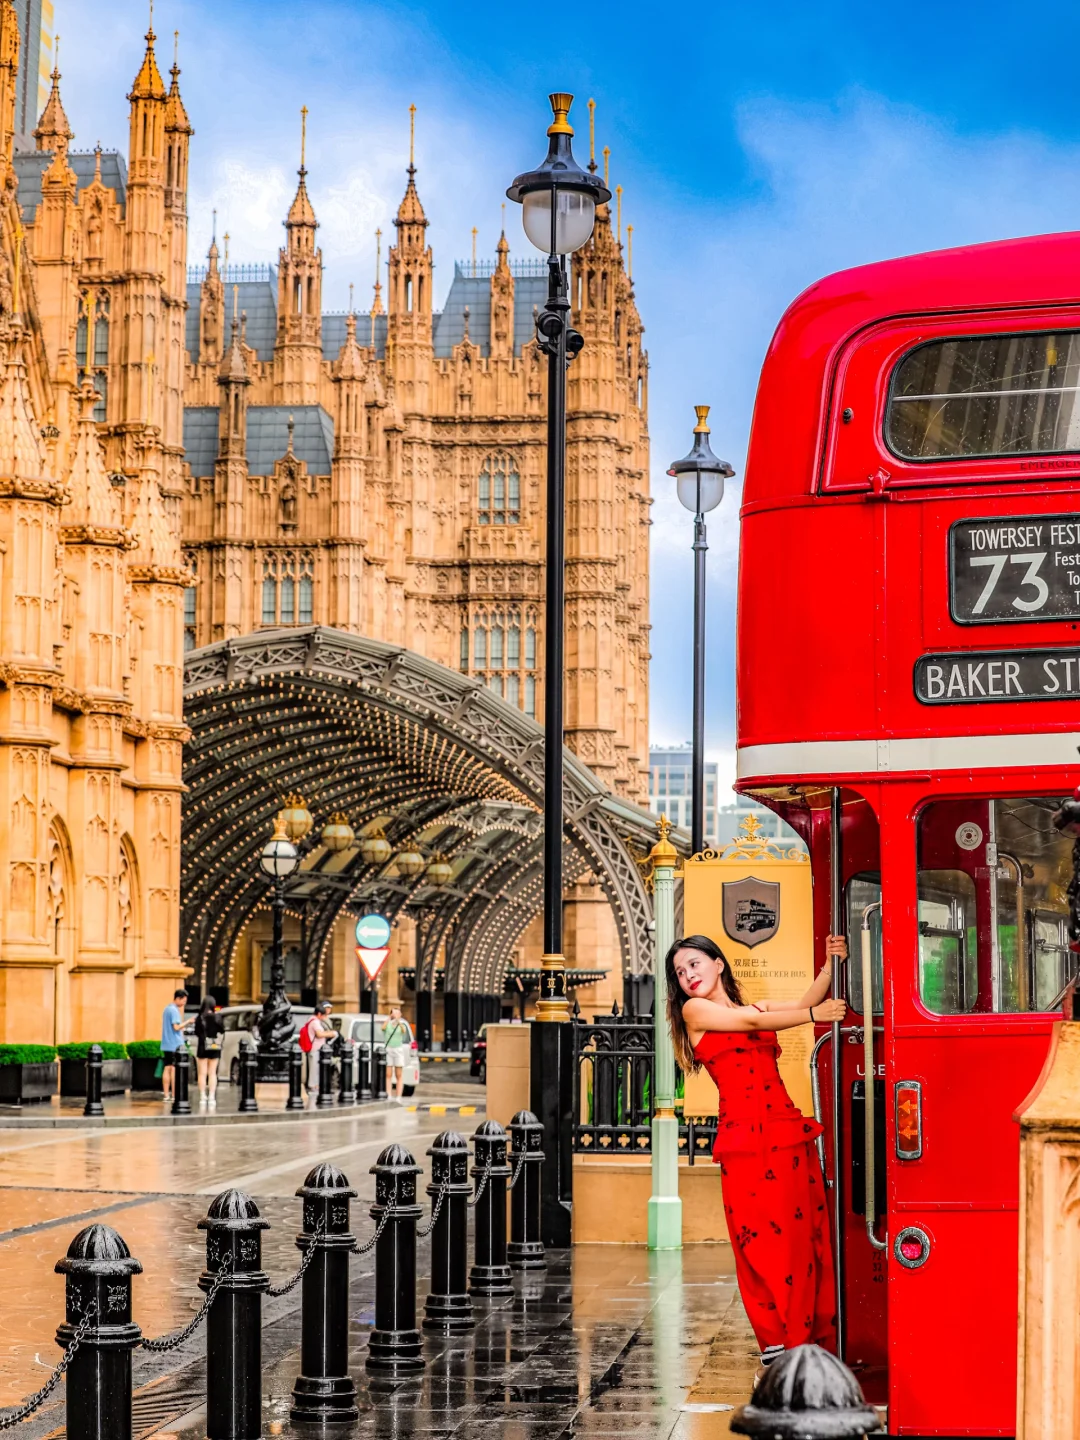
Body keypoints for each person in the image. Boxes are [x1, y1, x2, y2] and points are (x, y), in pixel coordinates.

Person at [667, 932, 848, 1371]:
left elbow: (794, 1004)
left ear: (718, 964)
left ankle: (808, 1341)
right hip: (747, 1141)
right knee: (767, 1243)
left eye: (694, 964)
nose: (688, 976)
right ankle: (780, 1340)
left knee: (805, 1238)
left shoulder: (753, 1009)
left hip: (786, 1131)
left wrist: (828, 964)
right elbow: (758, 1023)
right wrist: (812, 1014)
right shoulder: (696, 1012)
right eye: (679, 972)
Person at [301, 1001, 335, 1095]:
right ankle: (313, 1086)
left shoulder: (312, 1020)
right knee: (314, 1069)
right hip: (315, 1048)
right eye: (324, 1015)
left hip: (315, 1048)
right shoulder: (315, 1022)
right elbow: (319, 1034)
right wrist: (331, 1033)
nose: (325, 1017)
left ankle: (315, 1086)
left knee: (315, 1068)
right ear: (319, 1014)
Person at [194, 996, 223, 1107]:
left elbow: (196, 1032)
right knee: (212, 1073)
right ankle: (211, 1096)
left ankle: (202, 1096)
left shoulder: (199, 1018)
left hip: (202, 1046)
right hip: (214, 1045)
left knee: (202, 1073)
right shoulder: (217, 1017)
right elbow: (222, 1030)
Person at [160, 988, 188, 1101]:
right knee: (174, 1070)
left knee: (167, 1068)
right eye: (184, 1001)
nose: (184, 1004)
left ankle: (166, 1095)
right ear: (178, 998)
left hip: (166, 1044)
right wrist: (187, 1022)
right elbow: (176, 1027)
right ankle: (174, 1095)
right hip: (175, 1044)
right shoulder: (174, 1011)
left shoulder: (166, 1009)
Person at [382, 1006, 409, 1101]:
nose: (396, 1015)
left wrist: (398, 1021)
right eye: (394, 1013)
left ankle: (398, 1096)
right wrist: (389, 1017)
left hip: (398, 1050)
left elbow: (403, 1031)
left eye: (398, 1013)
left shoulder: (402, 1024)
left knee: (399, 1075)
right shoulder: (388, 1024)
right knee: (388, 1074)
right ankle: (389, 1095)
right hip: (389, 1049)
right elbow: (383, 1028)